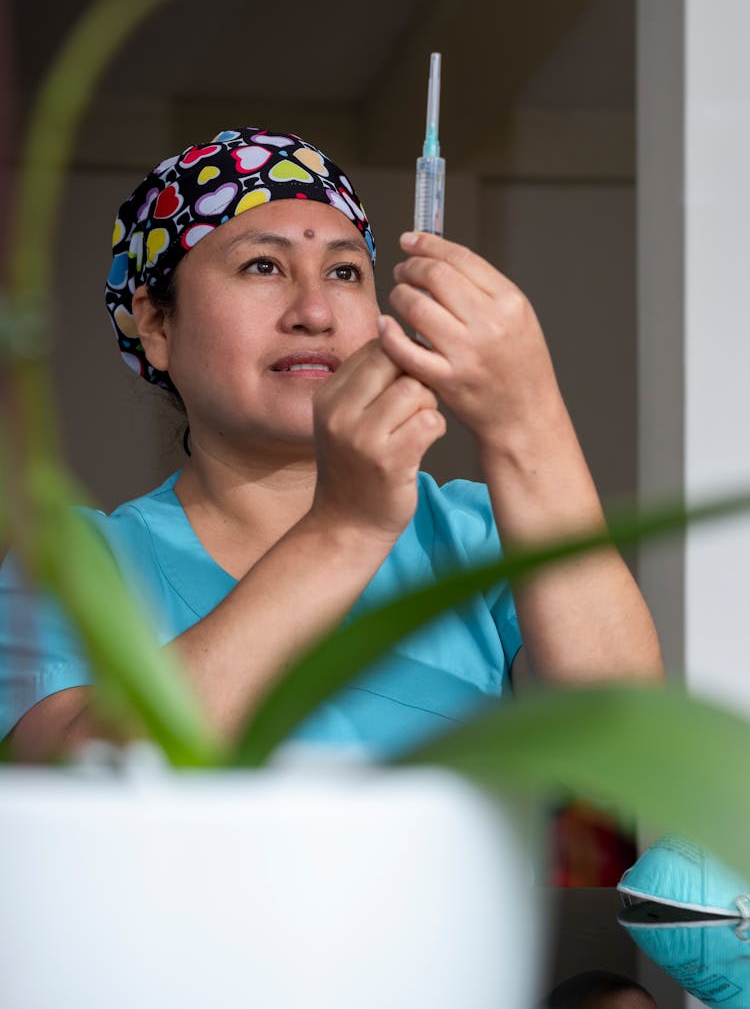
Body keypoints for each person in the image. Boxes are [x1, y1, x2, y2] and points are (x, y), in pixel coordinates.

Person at [0, 126, 663, 761]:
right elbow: (84, 771)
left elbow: (633, 745)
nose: (314, 312)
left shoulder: (473, 539)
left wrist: (528, 417)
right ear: (156, 325)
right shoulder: (74, 567)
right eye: (263, 265)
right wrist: (344, 528)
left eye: (345, 272)